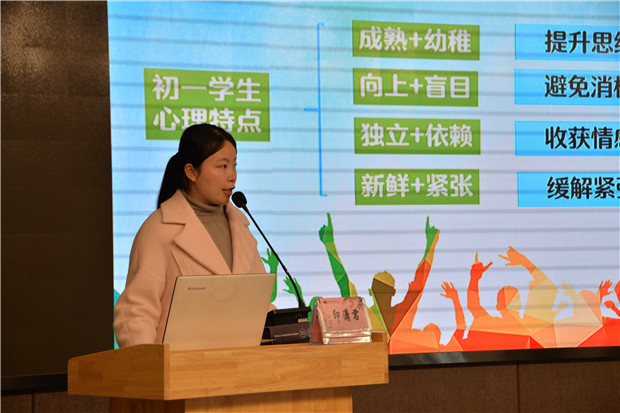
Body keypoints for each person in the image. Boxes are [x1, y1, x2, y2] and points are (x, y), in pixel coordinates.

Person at [114, 123, 267, 348]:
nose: (232, 177)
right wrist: (148, 364)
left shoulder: (241, 226)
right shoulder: (159, 228)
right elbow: (136, 312)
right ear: (191, 172)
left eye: (234, 165)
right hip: (179, 364)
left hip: (240, 363)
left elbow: (257, 301)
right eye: (222, 166)